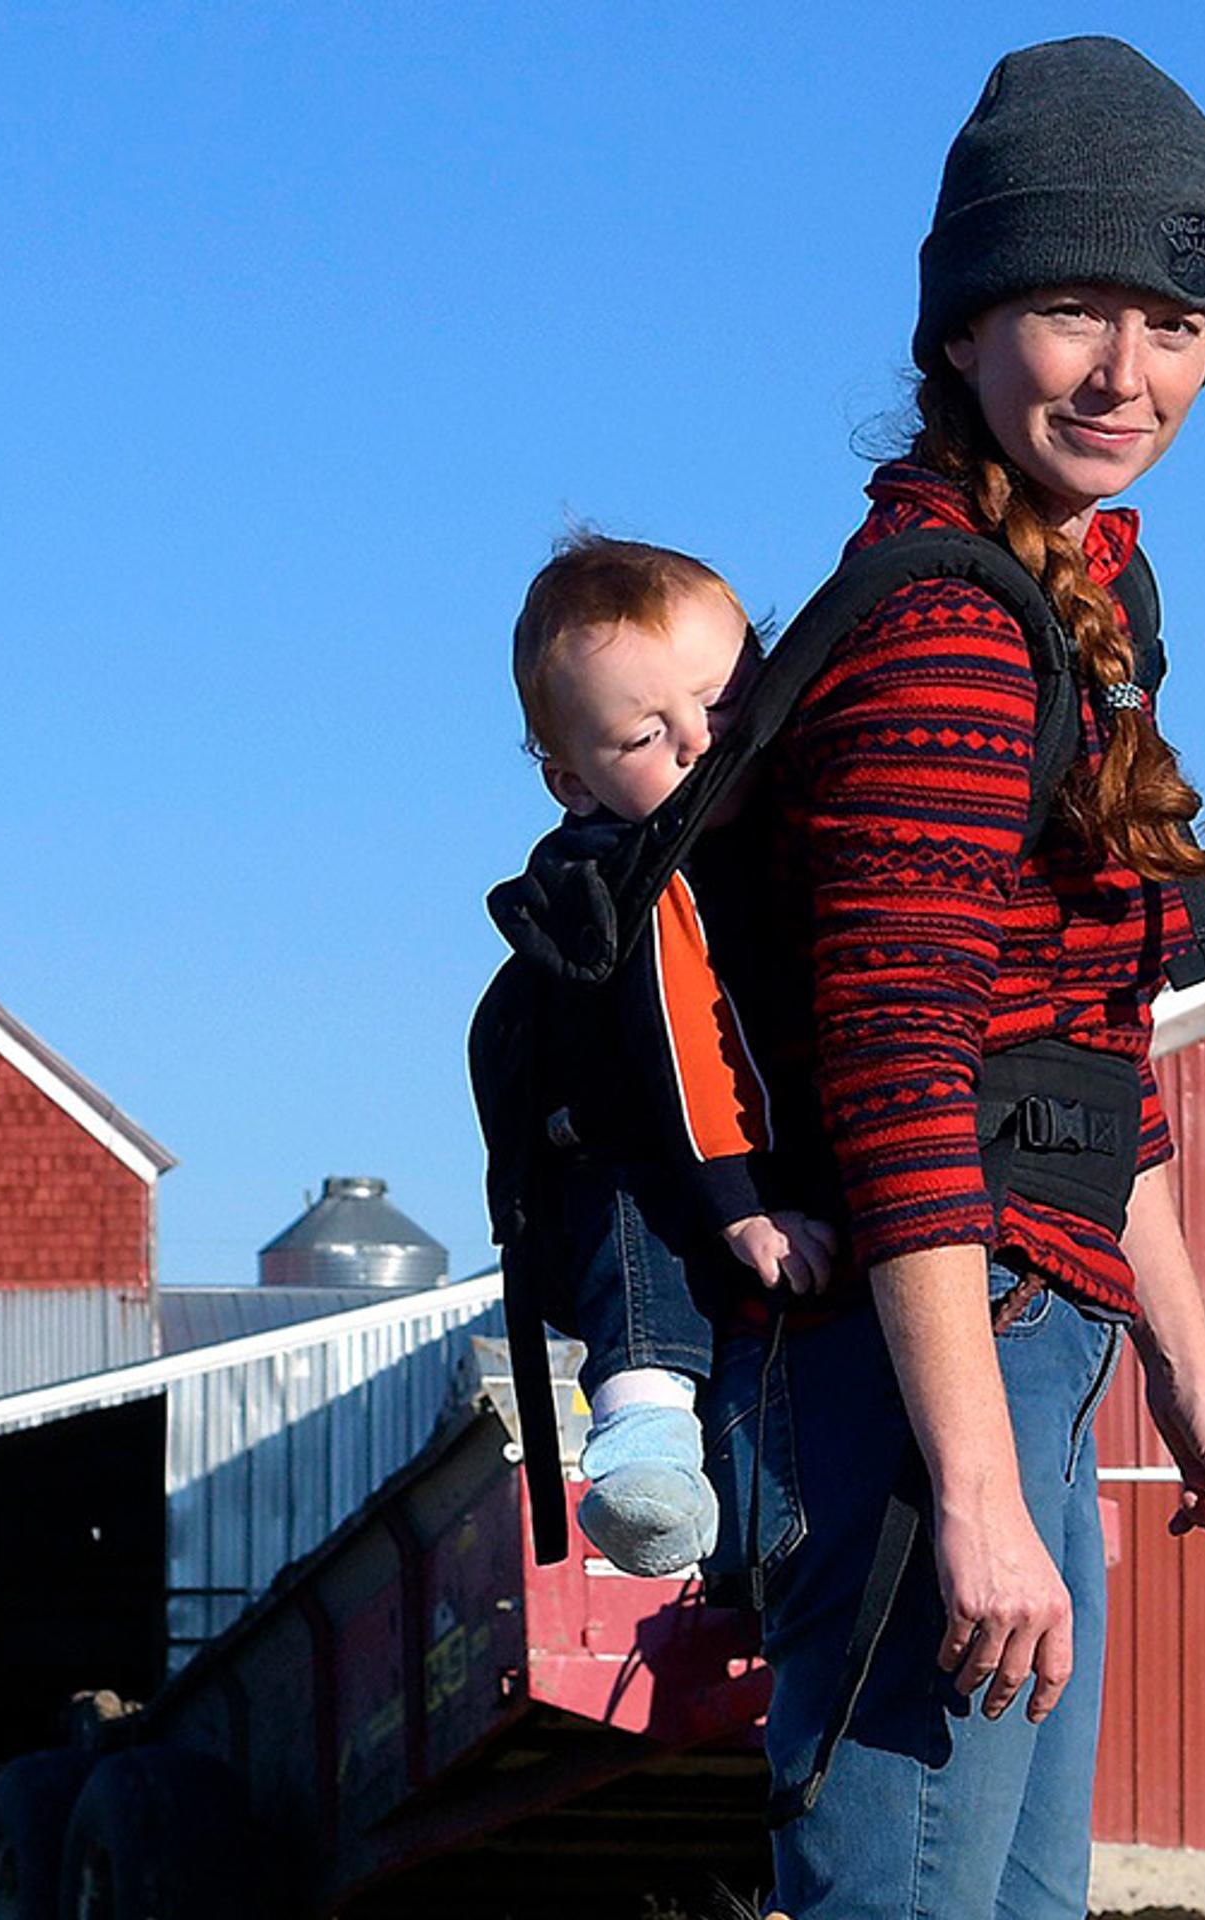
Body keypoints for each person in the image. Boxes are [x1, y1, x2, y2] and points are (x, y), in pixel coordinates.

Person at [725, 35, 1205, 1917]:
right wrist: (969, 1488)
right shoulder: (957, 625)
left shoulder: (1088, 608)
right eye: (1068, 308)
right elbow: (899, 1071)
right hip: (926, 1385)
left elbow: (1082, 1057)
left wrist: (1195, 1382)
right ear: (961, 330)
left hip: (1038, 1352)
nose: (1127, 374)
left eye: (1174, 320)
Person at [504, 532, 842, 1575]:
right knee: (633, 1225)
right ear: (574, 782)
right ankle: (645, 1447)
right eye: (647, 734)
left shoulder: (778, 828)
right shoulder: (641, 880)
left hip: (738, 1144)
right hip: (645, 1150)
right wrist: (740, 1201)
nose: (700, 741)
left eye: (725, 703)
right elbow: (688, 1038)